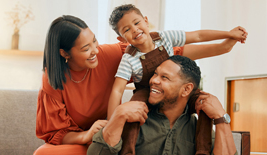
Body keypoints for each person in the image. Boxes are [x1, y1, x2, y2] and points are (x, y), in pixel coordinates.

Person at [34, 15, 241, 155]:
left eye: (95, 41)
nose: (95, 50)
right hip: (89, 137)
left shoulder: (114, 54)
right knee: (44, 153)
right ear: (64, 53)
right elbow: (55, 133)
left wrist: (223, 47)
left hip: (113, 127)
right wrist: (89, 134)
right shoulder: (52, 80)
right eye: (86, 48)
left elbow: (168, 55)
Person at [106, 4, 247, 155]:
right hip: (146, 91)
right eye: (126, 29)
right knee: (132, 111)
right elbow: (117, 90)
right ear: (121, 38)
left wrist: (228, 34)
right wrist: (112, 121)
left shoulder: (164, 37)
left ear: (146, 21)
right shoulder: (129, 58)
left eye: (136, 22)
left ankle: (203, 150)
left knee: (205, 103)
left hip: (174, 85)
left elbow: (197, 36)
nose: (134, 29)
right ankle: (127, 151)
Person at [87, 55, 237, 155]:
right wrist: (118, 115)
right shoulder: (132, 120)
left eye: (164, 77)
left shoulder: (199, 131)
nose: (154, 81)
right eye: (155, 74)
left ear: (186, 89)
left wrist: (220, 117)